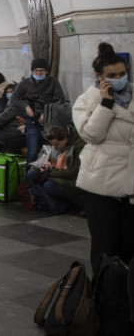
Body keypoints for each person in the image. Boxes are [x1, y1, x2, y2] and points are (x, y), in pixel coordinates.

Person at [73, 42, 134, 269]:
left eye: (122, 73)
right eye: (112, 75)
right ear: (99, 76)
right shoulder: (86, 100)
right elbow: (91, 135)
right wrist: (105, 104)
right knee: (105, 245)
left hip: (130, 182)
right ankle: (104, 296)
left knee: (130, 246)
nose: (119, 78)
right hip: (100, 183)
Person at [9, 58, 66, 163]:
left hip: (49, 120)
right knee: (33, 150)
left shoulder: (53, 82)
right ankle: (30, 175)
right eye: (36, 71)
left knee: (50, 149)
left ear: (46, 71)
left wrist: (47, 112)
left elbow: (60, 99)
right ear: (32, 71)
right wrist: (26, 106)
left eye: (41, 70)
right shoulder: (24, 83)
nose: (39, 73)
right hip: (32, 119)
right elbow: (13, 99)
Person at [25, 125, 85, 214]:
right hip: (57, 173)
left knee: (48, 185)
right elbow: (51, 160)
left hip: (73, 179)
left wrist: (49, 173)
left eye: (56, 144)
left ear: (65, 140)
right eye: (52, 145)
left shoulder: (79, 146)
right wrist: (47, 164)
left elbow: (73, 172)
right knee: (31, 175)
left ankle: (79, 204)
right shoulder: (58, 144)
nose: (55, 148)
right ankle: (59, 205)